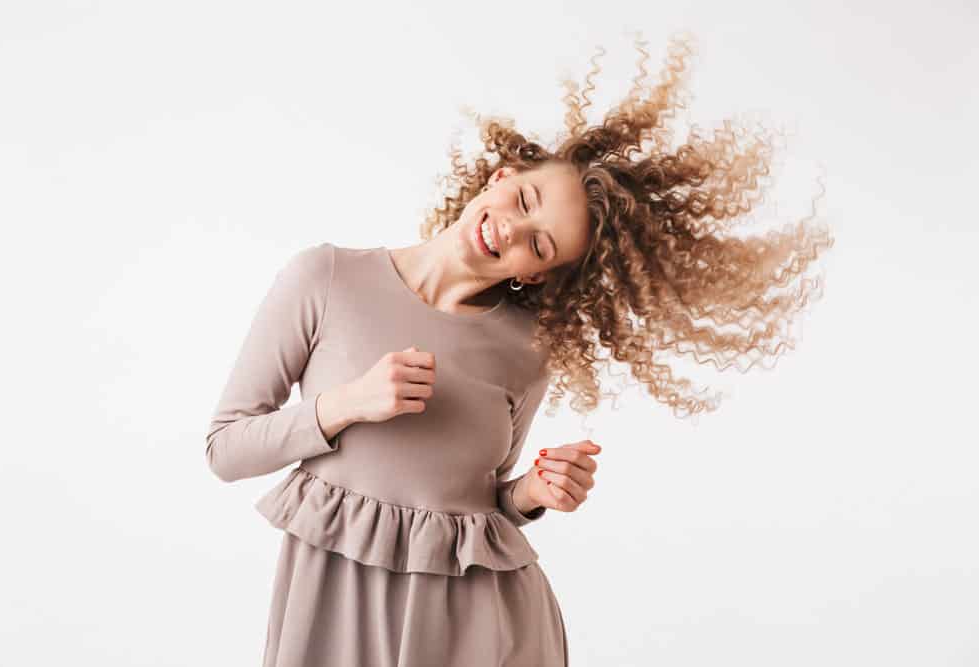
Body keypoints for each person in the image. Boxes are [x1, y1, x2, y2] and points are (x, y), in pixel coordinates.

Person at [205, 31, 834, 667]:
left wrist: (532, 492)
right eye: (526, 199)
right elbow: (225, 449)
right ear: (501, 176)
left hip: (480, 631)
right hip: (334, 615)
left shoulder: (525, 351)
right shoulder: (326, 278)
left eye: (538, 245)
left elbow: (477, 506)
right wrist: (344, 405)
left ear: (535, 274)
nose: (510, 229)